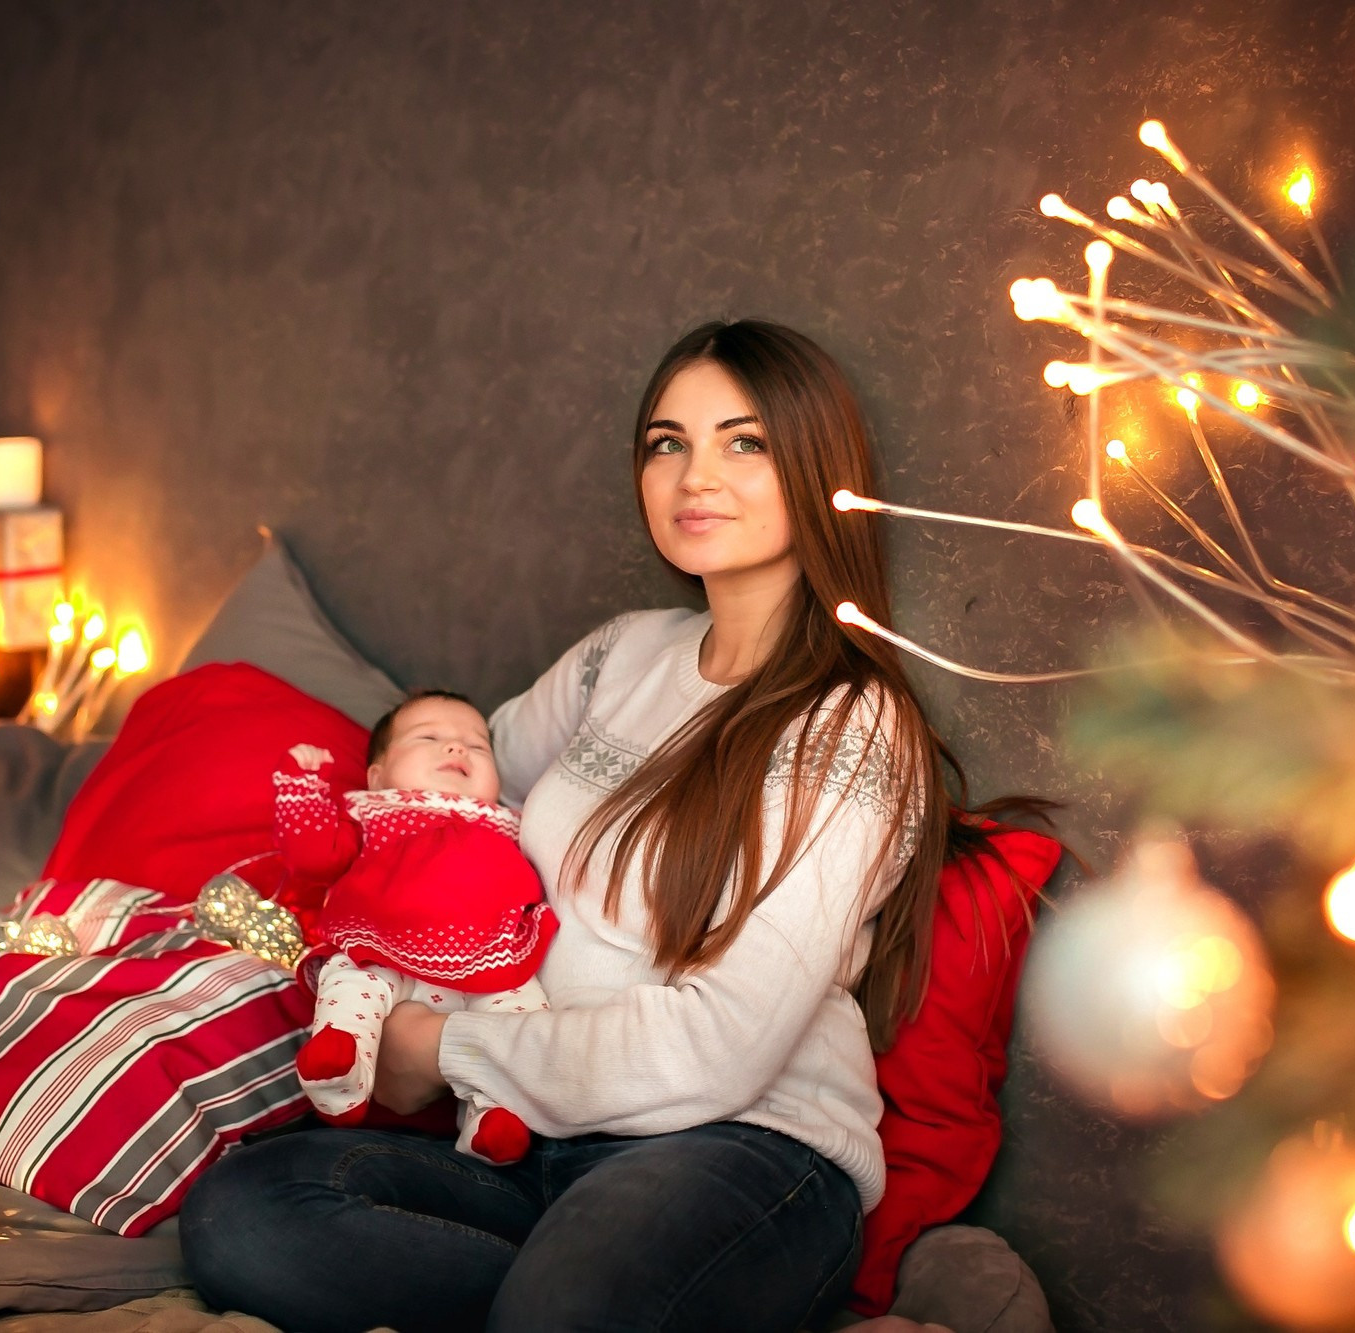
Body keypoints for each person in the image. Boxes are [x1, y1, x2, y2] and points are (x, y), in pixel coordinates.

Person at [180, 320, 1011, 1333]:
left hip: (738, 1147)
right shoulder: (620, 655)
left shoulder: (850, 727)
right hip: (535, 1144)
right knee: (244, 1214)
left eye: (742, 442)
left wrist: (442, 1048)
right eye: (667, 442)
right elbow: (454, 792)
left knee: (568, 1305)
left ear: (815, 467)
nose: (693, 474)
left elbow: (720, 1048)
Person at [273, 689, 556, 1165]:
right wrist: (301, 786)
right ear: (377, 776)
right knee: (349, 982)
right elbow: (312, 856)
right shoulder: (373, 813)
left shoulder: (513, 824)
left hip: (490, 958)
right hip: (380, 947)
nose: (457, 748)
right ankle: (342, 1070)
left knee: (522, 1017)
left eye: (478, 745)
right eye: (430, 737)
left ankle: (493, 1117)